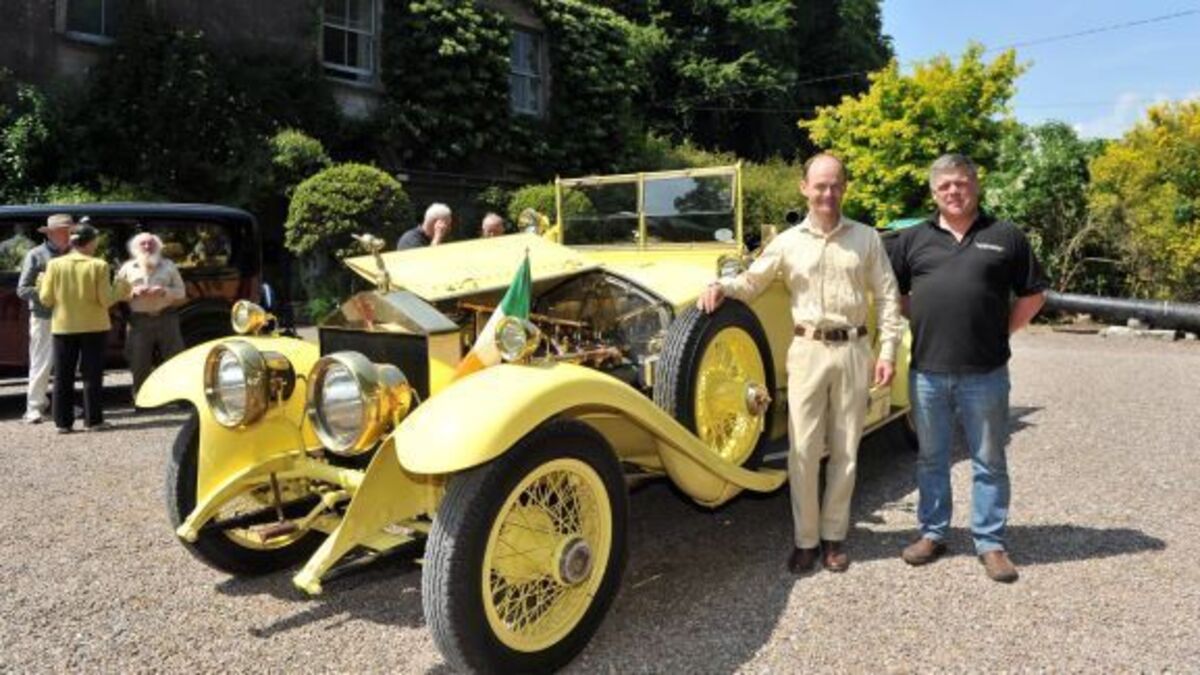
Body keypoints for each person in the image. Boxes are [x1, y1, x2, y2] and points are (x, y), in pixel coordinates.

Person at [697, 154, 904, 574]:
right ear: (804, 188)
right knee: (804, 451)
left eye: (835, 185)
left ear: (844, 188)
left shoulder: (865, 239)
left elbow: (887, 298)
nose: (828, 193)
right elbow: (752, 282)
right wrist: (720, 286)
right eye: (820, 185)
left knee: (846, 450)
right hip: (807, 352)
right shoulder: (787, 242)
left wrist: (886, 353)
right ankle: (805, 540)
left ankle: (833, 539)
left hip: (852, 350)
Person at [888, 154, 1048, 583]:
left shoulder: (1006, 236)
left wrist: (1003, 330)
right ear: (933, 192)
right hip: (927, 372)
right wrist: (921, 316)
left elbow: (1033, 295)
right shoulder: (911, 240)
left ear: (975, 185)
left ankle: (991, 542)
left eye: (960, 183)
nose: (953, 192)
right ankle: (933, 533)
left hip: (986, 372)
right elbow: (895, 295)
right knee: (931, 459)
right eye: (944, 186)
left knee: (989, 459)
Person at [37, 224, 131, 433]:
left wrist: (40, 282)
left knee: (62, 375)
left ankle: (62, 423)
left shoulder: (54, 265)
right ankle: (93, 420)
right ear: (91, 242)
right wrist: (122, 287)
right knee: (92, 374)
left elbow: (46, 299)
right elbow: (106, 300)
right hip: (94, 327)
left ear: (72, 241)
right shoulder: (99, 265)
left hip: (63, 326)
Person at [16, 214, 72, 424]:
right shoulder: (36, 254)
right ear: (52, 233)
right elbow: (22, 289)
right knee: (41, 362)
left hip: (71, 317)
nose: (68, 235)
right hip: (44, 316)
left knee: (67, 363)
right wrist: (49, 295)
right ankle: (34, 407)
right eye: (64, 231)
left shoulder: (74, 253)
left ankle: (62, 405)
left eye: (69, 231)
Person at [116, 232, 187, 397]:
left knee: (175, 359)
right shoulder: (127, 268)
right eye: (143, 244)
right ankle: (141, 399)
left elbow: (181, 293)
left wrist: (164, 291)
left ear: (158, 246)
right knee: (139, 362)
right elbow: (115, 294)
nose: (148, 247)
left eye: (151, 244)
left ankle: (179, 397)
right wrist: (132, 292)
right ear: (135, 248)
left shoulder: (169, 266)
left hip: (167, 318)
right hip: (138, 322)